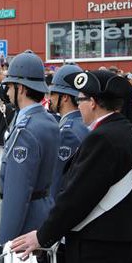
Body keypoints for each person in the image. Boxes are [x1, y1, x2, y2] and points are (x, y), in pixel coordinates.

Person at [12, 70, 132, 263]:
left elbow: (77, 198)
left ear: (93, 102)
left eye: (81, 100)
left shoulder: (103, 138)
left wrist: (42, 236)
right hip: (123, 243)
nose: (78, 106)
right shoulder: (127, 131)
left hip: (96, 250)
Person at [0, 51, 59, 244]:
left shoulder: (26, 131)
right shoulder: (48, 120)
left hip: (26, 223)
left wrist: (5, 240)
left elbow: (18, 191)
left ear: (21, 89)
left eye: (9, 87)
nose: (7, 93)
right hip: (44, 211)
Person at [48, 65, 89, 200]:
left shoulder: (67, 132)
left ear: (64, 97)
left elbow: (57, 181)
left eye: (53, 93)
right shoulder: (83, 123)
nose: (50, 98)